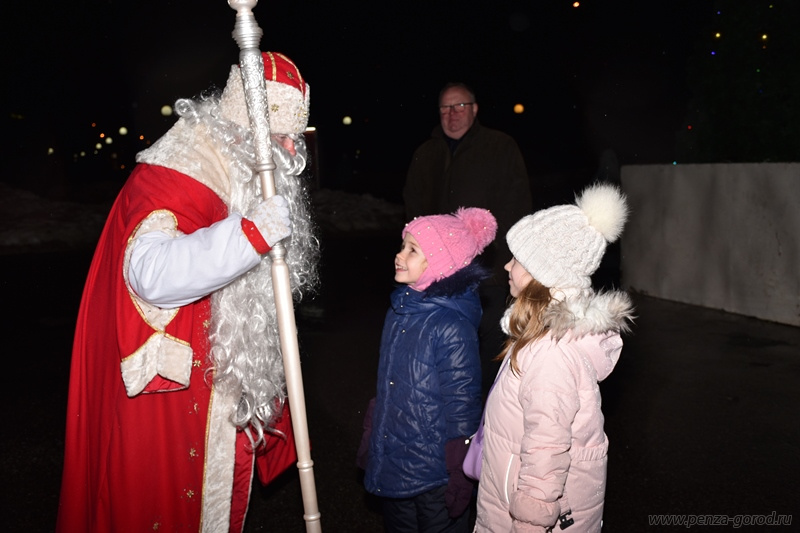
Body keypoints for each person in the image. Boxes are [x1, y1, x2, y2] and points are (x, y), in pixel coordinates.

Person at [56, 51, 319, 533]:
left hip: (215, 373)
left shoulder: (237, 171)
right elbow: (151, 275)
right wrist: (250, 235)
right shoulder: (173, 174)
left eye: (293, 138)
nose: (287, 149)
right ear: (242, 129)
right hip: (167, 402)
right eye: (279, 135)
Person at [474, 183, 635, 532]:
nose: (506, 265)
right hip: (506, 500)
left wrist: (530, 524)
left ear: (542, 275)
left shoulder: (551, 354)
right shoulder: (536, 337)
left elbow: (546, 452)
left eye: (517, 259)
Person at [359, 207, 497, 532]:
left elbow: (462, 403)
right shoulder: (399, 311)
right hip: (396, 459)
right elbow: (389, 383)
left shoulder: (451, 327)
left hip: (435, 471)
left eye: (412, 249)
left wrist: (457, 470)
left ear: (438, 264)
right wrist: (373, 433)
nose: (399, 254)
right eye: (402, 245)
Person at [403, 82, 532, 395]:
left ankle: (483, 424)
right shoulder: (426, 153)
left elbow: (517, 209)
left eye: (460, 106)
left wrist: (506, 265)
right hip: (437, 279)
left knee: (486, 355)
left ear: (475, 109)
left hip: (486, 277)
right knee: (442, 356)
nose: (452, 114)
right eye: (446, 108)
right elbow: (413, 209)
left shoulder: (500, 147)